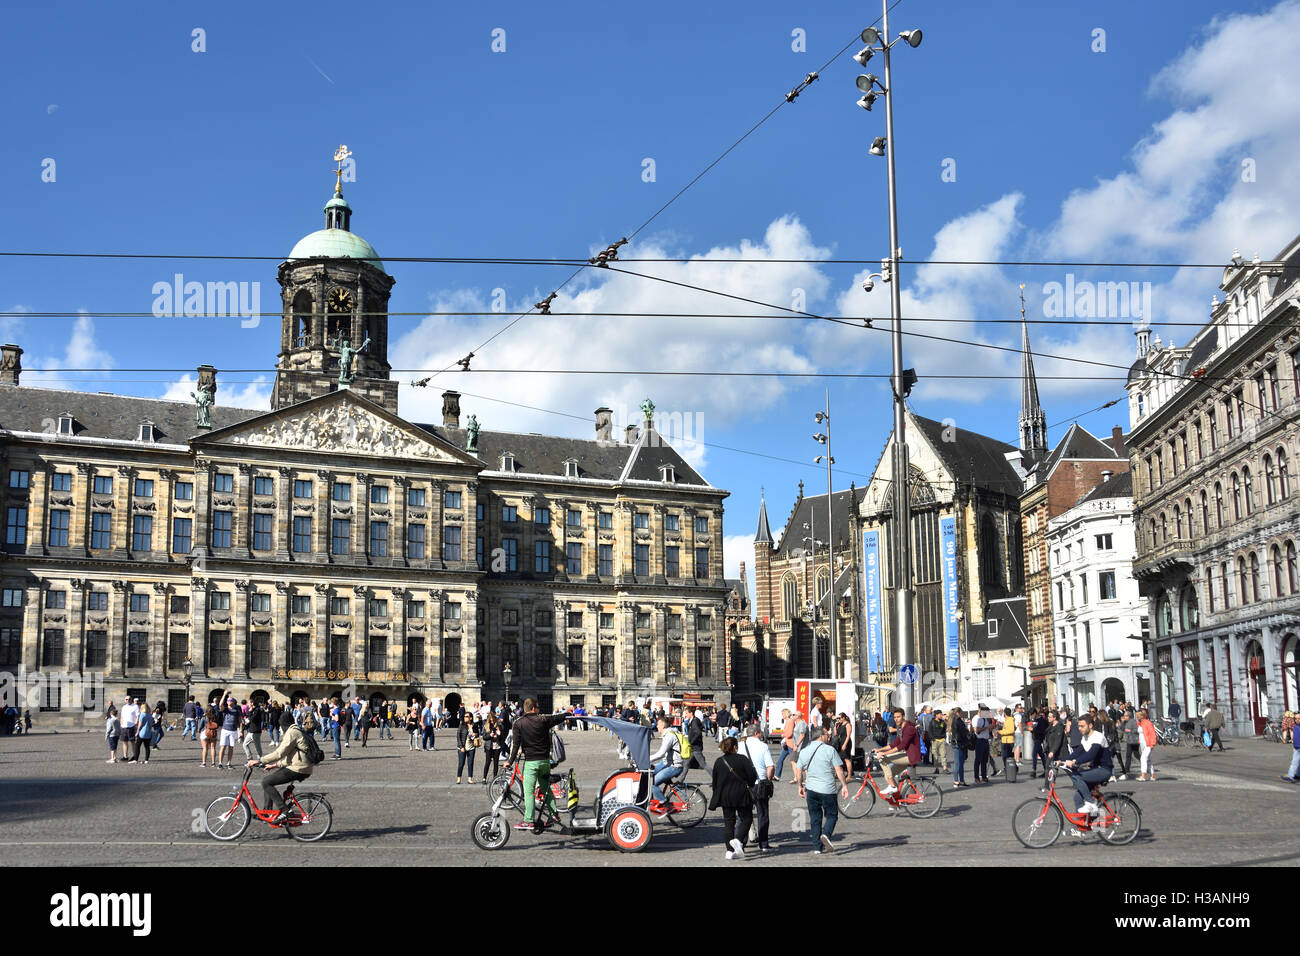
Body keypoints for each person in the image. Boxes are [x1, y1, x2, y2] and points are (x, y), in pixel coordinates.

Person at [506, 698, 570, 833]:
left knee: (528, 792)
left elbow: (515, 745)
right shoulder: (543, 720)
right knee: (546, 788)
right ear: (533, 708)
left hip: (531, 762)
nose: (539, 710)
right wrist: (567, 714)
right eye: (538, 707)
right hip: (544, 761)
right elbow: (557, 718)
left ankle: (528, 820)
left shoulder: (518, 723)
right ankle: (554, 815)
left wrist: (509, 762)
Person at [246, 712, 319, 823]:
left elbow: (279, 753)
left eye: (281, 725)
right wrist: (274, 765)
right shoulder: (296, 730)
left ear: (284, 723)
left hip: (299, 768)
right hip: (301, 766)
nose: (280, 728)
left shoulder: (291, 732)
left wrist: (259, 760)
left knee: (266, 782)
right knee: (269, 781)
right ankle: (267, 813)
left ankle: (285, 810)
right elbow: (293, 756)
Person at [794, 726, 850, 855]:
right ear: (821, 736)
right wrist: (844, 786)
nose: (828, 736)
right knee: (832, 815)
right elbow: (839, 770)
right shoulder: (829, 750)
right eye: (826, 734)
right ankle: (826, 834)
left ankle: (817, 848)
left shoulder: (804, 751)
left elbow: (798, 771)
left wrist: (800, 786)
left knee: (815, 818)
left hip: (811, 790)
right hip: (827, 789)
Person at [1061, 713, 1113, 833]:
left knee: (1077, 776)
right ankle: (1081, 827)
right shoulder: (1085, 738)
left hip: (1104, 770)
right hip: (1095, 769)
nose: (1079, 729)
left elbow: (1091, 754)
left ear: (1090, 725)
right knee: (1077, 797)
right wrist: (1061, 760)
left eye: (1082, 726)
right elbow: (1078, 752)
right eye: (1078, 726)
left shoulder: (1098, 737)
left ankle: (1090, 803)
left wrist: (1075, 762)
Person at [710, 735, 757, 860]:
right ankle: (738, 840)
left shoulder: (719, 761)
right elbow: (752, 775)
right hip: (741, 794)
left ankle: (729, 851)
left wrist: (717, 793)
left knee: (729, 823)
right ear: (735, 747)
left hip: (726, 796)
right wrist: (750, 784)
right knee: (746, 819)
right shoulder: (742, 759)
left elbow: (715, 781)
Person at [740, 724, 775, 851]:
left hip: (743, 785)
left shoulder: (740, 746)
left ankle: (741, 843)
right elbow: (770, 767)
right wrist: (768, 780)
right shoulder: (763, 746)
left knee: (744, 814)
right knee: (763, 813)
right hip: (759, 784)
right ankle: (763, 844)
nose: (761, 734)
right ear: (756, 733)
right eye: (760, 732)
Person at [874, 708, 920, 794]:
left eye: (898, 717)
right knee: (888, 776)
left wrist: (884, 753)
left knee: (883, 759)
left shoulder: (909, 728)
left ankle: (893, 786)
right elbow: (894, 744)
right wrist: (879, 749)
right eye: (895, 717)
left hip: (911, 756)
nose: (896, 719)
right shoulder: (900, 728)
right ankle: (897, 799)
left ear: (903, 716)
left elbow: (902, 746)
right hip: (906, 755)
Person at [649, 714, 686, 808]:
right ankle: (651, 800)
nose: (656, 726)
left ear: (663, 725)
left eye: (658, 724)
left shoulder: (669, 736)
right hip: (667, 763)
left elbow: (661, 753)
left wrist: (647, 759)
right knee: (649, 774)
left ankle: (665, 803)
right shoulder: (667, 735)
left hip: (674, 766)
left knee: (653, 783)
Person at [1042, 709, 1066, 793]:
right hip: (1051, 751)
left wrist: (1053, 751)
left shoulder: (1059, 727)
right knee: (1048, 767)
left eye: (1050, 717)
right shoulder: (1050, 727)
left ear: (1055, 718)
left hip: (1059, 752)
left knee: (1068, 768)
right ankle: (1046, 786)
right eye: (1048, 716)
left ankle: (1077, 782)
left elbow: (1058, 741)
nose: (1048, 718)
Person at [217, 696, 242, 770]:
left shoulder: (237, 709)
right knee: (223, 746)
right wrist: (224, 695)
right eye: (228, 700)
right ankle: (220, 763)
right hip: (225, 730)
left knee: (231, 747)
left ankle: (229, 763)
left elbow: (240, 721)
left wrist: (240, 731)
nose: (228, 701)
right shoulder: (226, 709)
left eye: (230, 700)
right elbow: (220, 705)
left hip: (233, 730)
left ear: (233, 701)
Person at [455, 712, 478, 784]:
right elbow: (458, 736)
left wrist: (475, 734)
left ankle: (470, 778)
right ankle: (459, 778)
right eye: (464, 716)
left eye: (467, 716)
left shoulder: (474, 725)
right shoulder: (461, 725)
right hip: (462, 747)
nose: (465, 717)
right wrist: (461, 747)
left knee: (470, 763)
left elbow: (478, 734)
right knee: (461, 763)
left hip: (471, 747)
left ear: (471, 718)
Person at [482, 714, 505, 783]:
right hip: (489, 747)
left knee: (496, 763)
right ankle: (484, 778)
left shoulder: (499, 726)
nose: (492, 722)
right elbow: (484, 737)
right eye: (490, 720)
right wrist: (490, 735)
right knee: (488, 762)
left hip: (497, 746)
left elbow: (503, 738)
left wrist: (500, 734)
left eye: (493, 720)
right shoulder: (486, 726)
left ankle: (495, 778)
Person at [971, 706, 992, 783]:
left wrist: (991, 727)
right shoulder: (976, 718)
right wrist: (987, 727)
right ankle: (976, 777)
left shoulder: (985, 718)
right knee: (978, 760)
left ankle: (984, 776)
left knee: (985, 760)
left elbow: (987, 729)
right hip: (979, 740)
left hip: (986, 740)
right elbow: (977, 730)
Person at [774, 709, 796, 781]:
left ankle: (797, 777)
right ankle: (777, 776)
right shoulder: (787, 721)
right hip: (787, 744)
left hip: (791, 744)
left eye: (783, 713)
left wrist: (783, 735)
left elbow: (790, 734)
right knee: (780, 759)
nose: (782, 715)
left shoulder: (790, 721)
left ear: (786, 714)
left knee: (794, 761)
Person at [950, 708, 969, 787]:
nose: (962, 713)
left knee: (959, 763)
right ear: (958, 713)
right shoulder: (958, 721)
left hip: (958, 743)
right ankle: (956, 781)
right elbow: (963, 732)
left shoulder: (954, 720)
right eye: (961, 712)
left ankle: (960, 780)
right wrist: (967, 730)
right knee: (958, 763)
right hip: (959, 743)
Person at [1137, 708, 1158, 781]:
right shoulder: (1139, 723)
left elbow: (1153, 733)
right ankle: (1152, 775)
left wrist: (1153, 743)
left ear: (1142, 716)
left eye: (1138, 715)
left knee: (1143, 758)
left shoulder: (1148, 723)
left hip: (1148, 743)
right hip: (1142, 744)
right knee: (1148, 759)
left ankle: (1143, 775)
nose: (1137, 716)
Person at [118, 696, 140, 762]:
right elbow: (121, 716)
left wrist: (136, 725)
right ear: (125, 700)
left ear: (131, 700)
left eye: (129, 699)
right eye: (126, 699)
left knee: (133, 742)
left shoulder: (135, 706)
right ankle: (125, 756)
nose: (128, 700)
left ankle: (134, 756)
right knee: (124, 742)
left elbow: (137, 716)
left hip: (131, 726)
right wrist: (121, 724)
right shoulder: (123, 707)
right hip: (124, 726)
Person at [928, 710, 950, 775]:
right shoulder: (932, 722)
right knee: (935, 755)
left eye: (941, 714)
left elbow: (944, 728)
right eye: (940, 714)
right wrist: (932, 738)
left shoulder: (942, 722)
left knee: (943, 754)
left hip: (941, 740)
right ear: (936, 715)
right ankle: (936, 768)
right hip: (935, 740)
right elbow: (930, 731)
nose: (941, 715)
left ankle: (945, 768)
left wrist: (944, 738)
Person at [1030, 708, 1049, 778]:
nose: (1032, 717)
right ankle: (1046, 770)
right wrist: (1032, 730)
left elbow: (1042, 731)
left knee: (1034, 753)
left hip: (1039, 738)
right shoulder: (1035, 720)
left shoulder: (1041, 721)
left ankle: (1034, 770)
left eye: (1032, 715)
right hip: (1036, 738)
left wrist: (1034, 730)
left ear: (1035, 713)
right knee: (1041, 755)